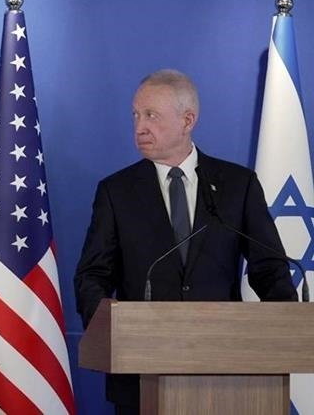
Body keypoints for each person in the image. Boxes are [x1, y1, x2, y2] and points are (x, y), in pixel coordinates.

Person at [74, 69, 297, 414]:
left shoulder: (237, 185)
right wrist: (110, 329)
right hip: (140, 374)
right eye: (135, 115)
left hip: (225, 371)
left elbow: (269, 268)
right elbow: (92, 275)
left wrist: (284, 330)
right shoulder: (116, 191)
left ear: (187, 120)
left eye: (151, 115)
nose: (139, 127)